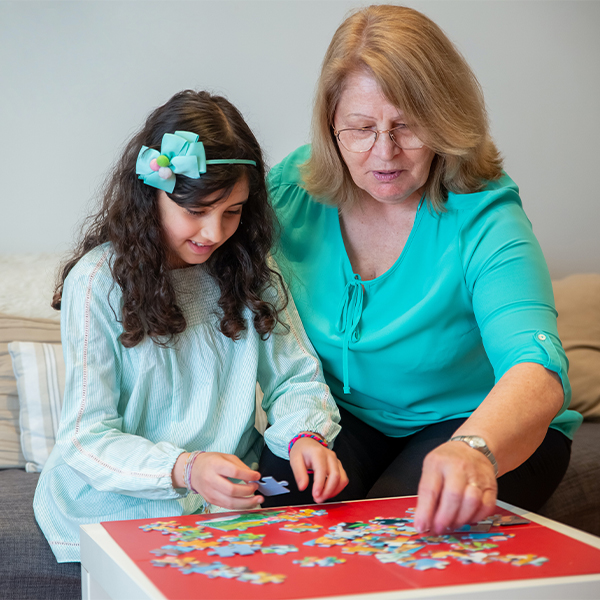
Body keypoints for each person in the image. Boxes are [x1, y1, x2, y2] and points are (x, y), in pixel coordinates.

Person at [259, 4, 582, 534]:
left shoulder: (484, 214)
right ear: (330, 127)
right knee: (280, 512)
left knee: (402, 535)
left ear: (444, 123)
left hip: (478, 425)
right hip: (342, 418)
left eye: (407, 127)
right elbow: (188, 250)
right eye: (361, 129)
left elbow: (537, 370)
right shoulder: (291, 192)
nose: (384, 153)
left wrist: (473, 448)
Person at [34, 89, 347, 566]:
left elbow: (295, 377)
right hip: (119, 499)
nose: (215, 233)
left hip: (226, 501)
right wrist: (185, 468)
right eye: (195, 211)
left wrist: (307, 436)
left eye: (233, 211)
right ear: (151, 193)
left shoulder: (250, 267)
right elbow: (85, 437)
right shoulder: (98, 282)